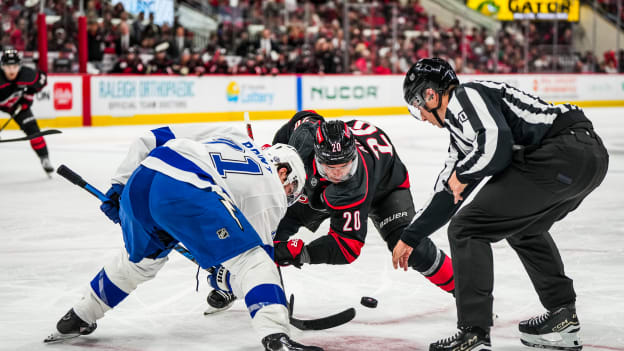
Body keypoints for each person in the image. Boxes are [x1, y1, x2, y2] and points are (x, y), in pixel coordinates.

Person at [44, 124, 323, 351]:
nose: (289, 197)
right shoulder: (273, 193)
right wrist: (227, 280)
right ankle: (277, 338)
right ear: (284, 172)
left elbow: (152, 137)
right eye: (293, 190)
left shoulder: (233, 135)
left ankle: (77, 317)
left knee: (138, 263)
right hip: (186, 190)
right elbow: (253, 268)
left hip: (143, 178)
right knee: (255, 263)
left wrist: (119, 184)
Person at [394, 57, 609, 350]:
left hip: (562, 152)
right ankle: (563, 315)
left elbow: (497, 145)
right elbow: (447, 192)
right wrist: (411, 236)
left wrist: (464, 173)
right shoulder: (461, 136)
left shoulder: (464, 96)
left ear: (430, 94)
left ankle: (474, 332)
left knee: (466, 228)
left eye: (417, 105)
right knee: (524, 229)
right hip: (586, 159)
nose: (421, 115)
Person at [271, 111, 454, 291]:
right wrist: (274, 158)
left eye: (345, 165)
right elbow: (304, 117)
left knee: (409, 246)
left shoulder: (353, 186)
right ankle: (256, 283)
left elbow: (346, 247)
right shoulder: (305, 139)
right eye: (330, 166)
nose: (338, 173)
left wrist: (301, 253)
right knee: (273, 224)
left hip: (385, 187)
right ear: (317, 156)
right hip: (324, 188)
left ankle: (464, 288)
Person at [0, 48, 53, 175]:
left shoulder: (27, 74)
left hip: (16, 105)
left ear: (20, 65)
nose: (11, 70)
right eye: (8, 67)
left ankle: (44, 158)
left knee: (33, 129)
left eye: (14, 66)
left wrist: (27, 98)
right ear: (2, 67)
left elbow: (42, 80)